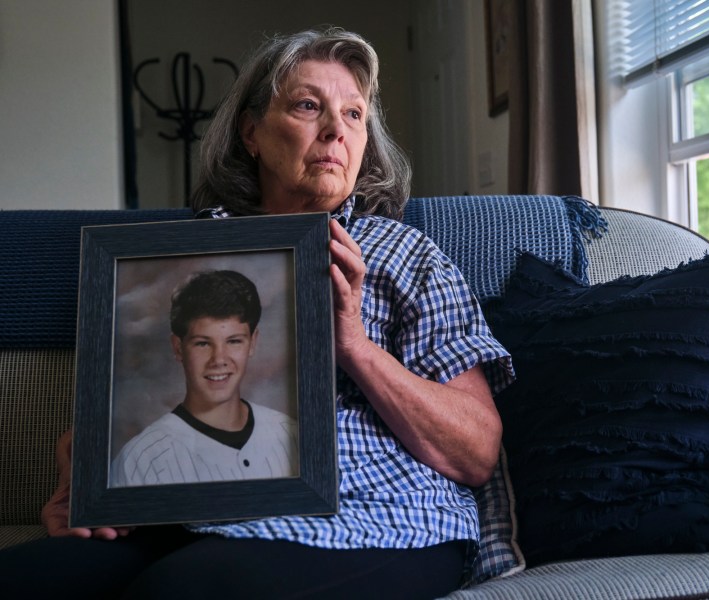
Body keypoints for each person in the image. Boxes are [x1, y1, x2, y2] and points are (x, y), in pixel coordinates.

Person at [0, 27, 512, 599]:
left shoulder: (406, 254)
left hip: (376, 518)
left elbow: (475, 452)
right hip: (196, 515)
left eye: (353, 114)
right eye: (308, 106)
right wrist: (84, 472)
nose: (335, 130)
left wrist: (352, 344)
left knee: (181, 590)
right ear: (251, 133)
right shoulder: (186, 255)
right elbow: (137, 406)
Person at [110, 269, 297, 487]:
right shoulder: (139, 461)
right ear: (178, 348)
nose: (219, 359)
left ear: (253, 342)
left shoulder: (289, 434)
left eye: (234, 341)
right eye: (203, 343)